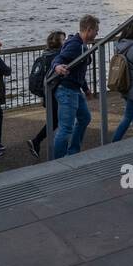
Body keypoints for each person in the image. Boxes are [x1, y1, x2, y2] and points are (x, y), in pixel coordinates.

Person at [52, 14, 99, 159]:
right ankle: (59, 162)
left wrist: (85, 88)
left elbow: (78, 69)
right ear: (89, 29)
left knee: (84, 118)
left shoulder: (81, 44)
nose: (97, 33)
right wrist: (57, 66)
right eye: (96, 30)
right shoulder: (75, 45)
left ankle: (73, 152)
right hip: (66, 90)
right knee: (66, 128)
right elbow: (59, 58)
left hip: (75, 89)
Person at [26, 31, 66, 158]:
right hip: (55, 94)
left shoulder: (45, 55)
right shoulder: (58, 57)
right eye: (63, 40)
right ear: (58, 42)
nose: (65, 42)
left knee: (55, 120)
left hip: (47, 94)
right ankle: (41, 143)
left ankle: (37, 141)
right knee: (60, 121)